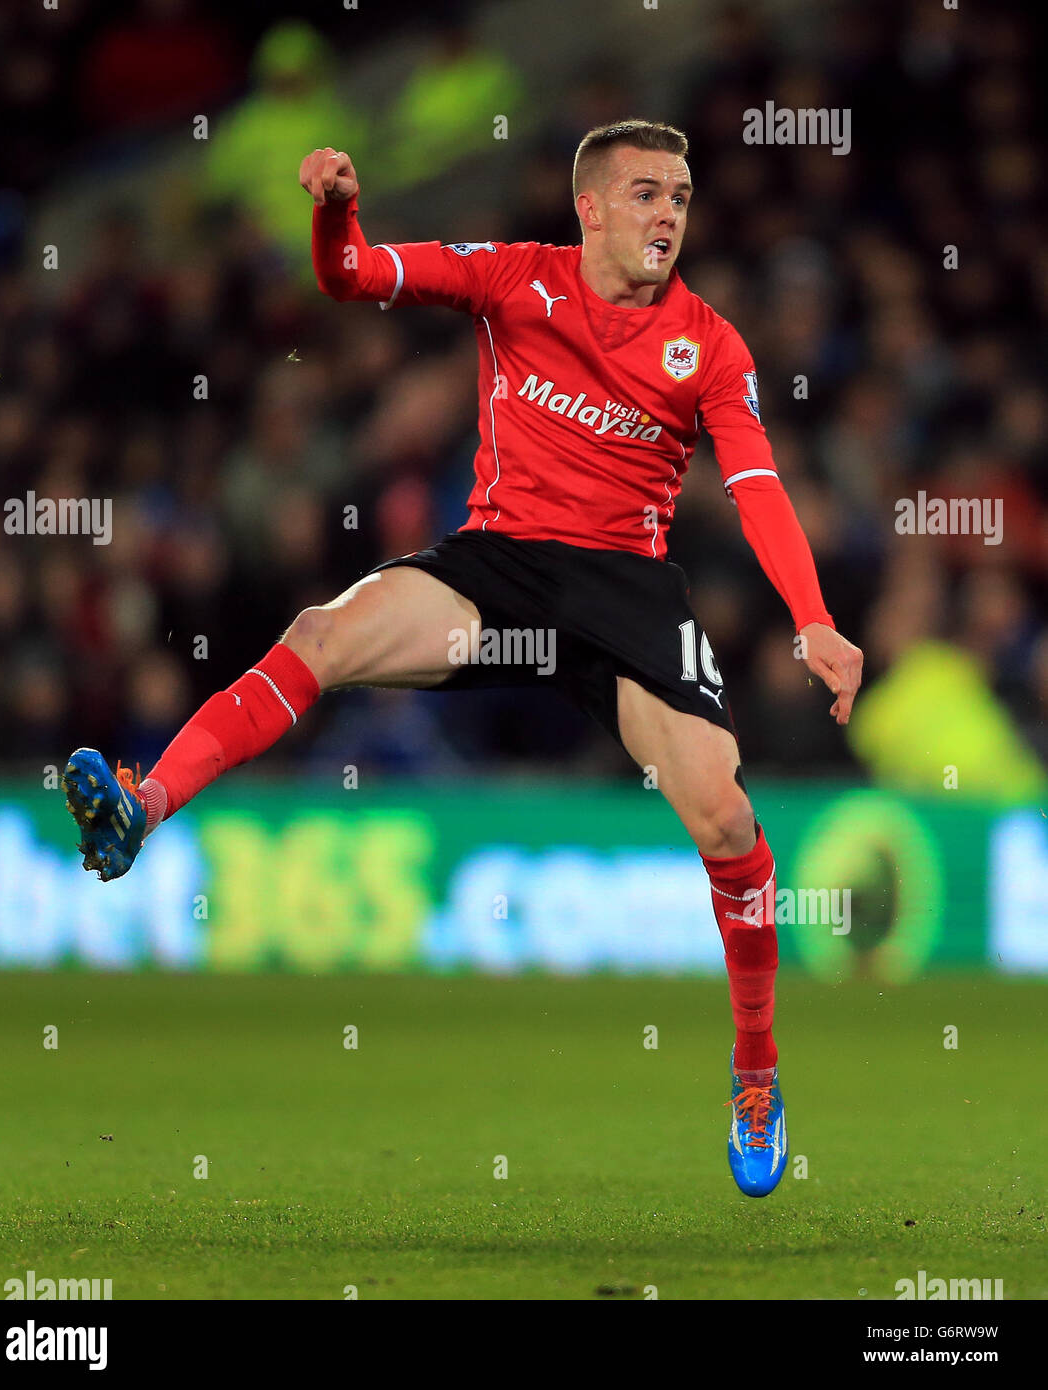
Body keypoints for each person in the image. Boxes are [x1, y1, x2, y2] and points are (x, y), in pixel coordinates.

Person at [63, 120, 863, 1198]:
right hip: (496, 570)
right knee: (321, 633)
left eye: (679, 195)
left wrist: (811, 617)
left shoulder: (711, 346)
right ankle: (141, 807)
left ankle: (757, 1071)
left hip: (624, 591)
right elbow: (349, 277)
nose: (668, 213)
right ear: (589, 209)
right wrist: (336, 208)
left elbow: (758, 483)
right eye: (645, 194)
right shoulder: (509, 280)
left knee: (725, 816)